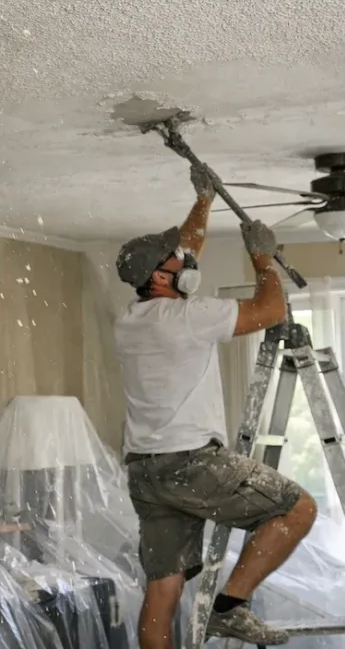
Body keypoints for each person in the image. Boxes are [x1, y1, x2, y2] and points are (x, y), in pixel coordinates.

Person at [112, 164, 319, 648]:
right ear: (161, 277)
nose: (186, 263)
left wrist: (202, 200)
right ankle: (232, 607)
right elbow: (271, 311)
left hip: (147, 471)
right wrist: (263, 260)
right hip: (191, 463)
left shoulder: (132, 319)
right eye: (175, 262)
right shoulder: (187, 316)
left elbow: (186, 249)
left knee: (163, 587)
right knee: (298, 509)